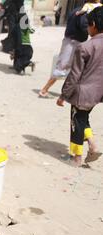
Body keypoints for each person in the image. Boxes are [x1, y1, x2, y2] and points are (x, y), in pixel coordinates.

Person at [57, 7, 103, 166]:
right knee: (83, 118)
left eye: (88, 25)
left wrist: (63, 95)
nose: (87, 28)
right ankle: (92, 144)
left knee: (76, 123)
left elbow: (74, 75)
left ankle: (76, 157)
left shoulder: (84, 47)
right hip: (98, 94)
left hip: (82, 93)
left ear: (94, 25)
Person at [39, 7, 89, 97]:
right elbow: (83, 26)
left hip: (71, 41)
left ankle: (70, 92)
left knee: (74, 68)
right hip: (73, 42)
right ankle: (44, 89)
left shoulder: (76, 10)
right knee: (63, 67)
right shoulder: (84, 12)